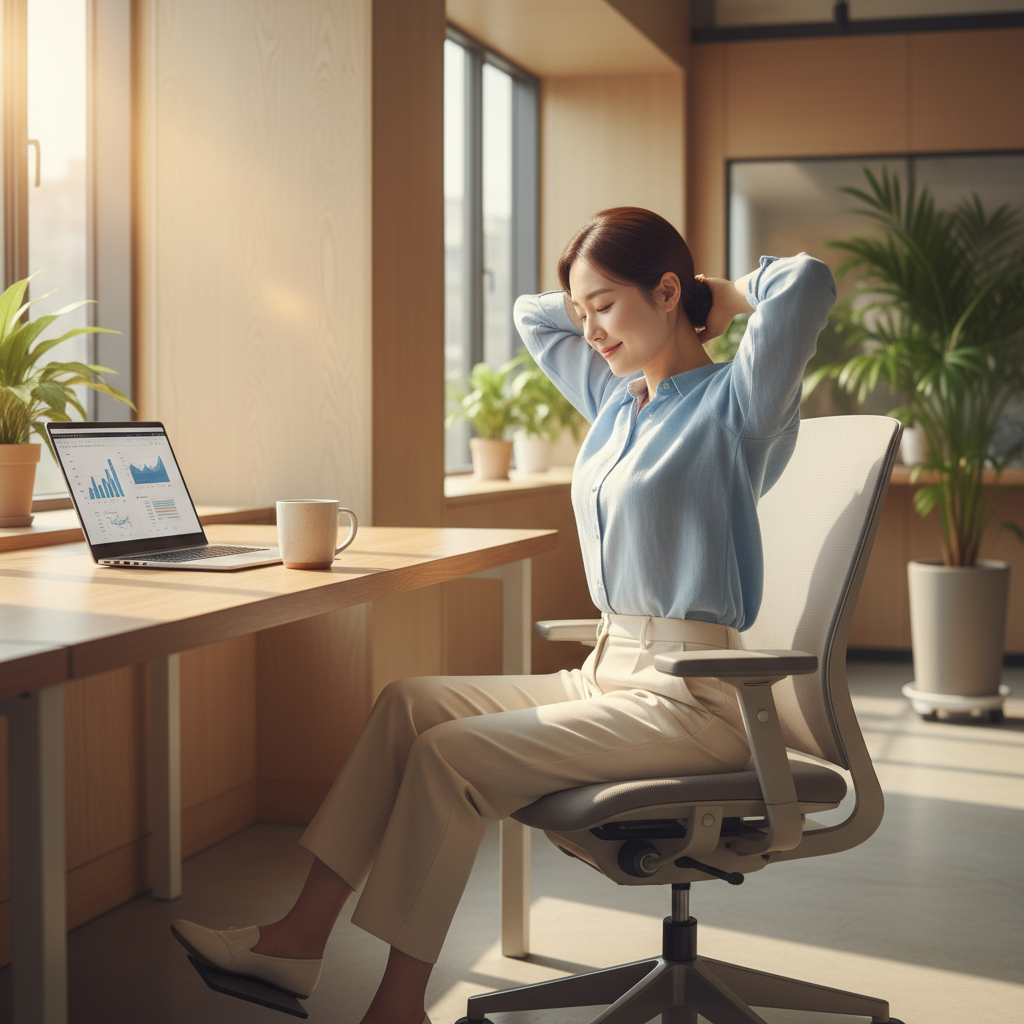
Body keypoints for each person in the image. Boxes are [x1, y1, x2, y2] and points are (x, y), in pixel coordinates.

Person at [170, 207, 836, 1024]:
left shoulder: (737, 405)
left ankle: (397, 1009)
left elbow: (807, 284)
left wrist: (713, 295)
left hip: (693, 698)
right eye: (583, 311)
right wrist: (601, 302)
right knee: (407, 704)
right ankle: (297, 940)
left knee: (449, 756)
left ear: (667, 292)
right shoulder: (617, 399)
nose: (589, 331)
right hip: (605, 672)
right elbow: (531, 314)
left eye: (606, 307)